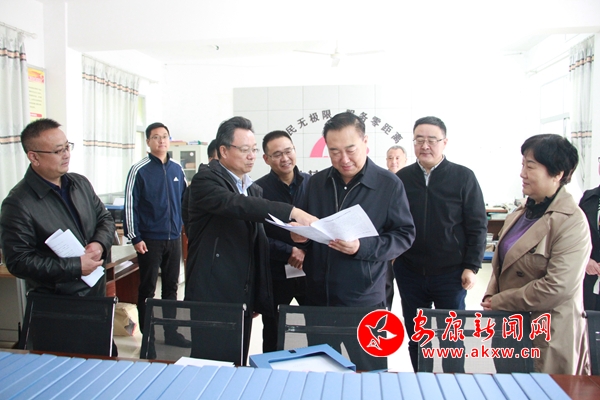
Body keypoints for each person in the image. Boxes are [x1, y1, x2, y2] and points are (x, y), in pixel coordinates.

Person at [184, 116, 316, 364]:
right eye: (245, 150)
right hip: (212, 291)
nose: (251, 156)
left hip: (242, 292)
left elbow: (258, 242)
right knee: (210, 363)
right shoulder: (206, 180)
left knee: (238, 360)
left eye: (254, 150)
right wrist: (292, 211)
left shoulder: (252, 188)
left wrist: (258, 294)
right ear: (224, 151)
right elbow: (238, 206)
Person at [295, 112, 415, 369]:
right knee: (321, 370)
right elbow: (306, 231)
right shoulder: (316, 183)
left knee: (368, 373)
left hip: (364, 299)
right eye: (334, 151)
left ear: (365, 142)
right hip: (319, 297)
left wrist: (363, 247)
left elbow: (404, 235)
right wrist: (299, 237)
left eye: (350, 149)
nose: (344, 159)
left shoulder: (388, 184)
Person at [0, 119, 116, 352]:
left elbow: (105, 218)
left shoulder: (79, 184)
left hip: (95, 298)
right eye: (58, 150)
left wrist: (99, 243)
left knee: (104, 360)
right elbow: (18, 261)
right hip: (57, 306)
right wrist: (75, 266)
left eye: (67, 147)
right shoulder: (18, 203)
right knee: (65, 367)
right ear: (34, 157)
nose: (66, 154)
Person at [482, 134, 591, 374]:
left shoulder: (571, 221)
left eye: (530, 166)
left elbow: (558, 287)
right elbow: (503, 265)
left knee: (543, 389)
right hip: (509, 324)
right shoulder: (521, 213)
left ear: (558, 173)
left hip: (546, 332)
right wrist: (491, 295)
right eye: (523, 165)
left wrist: (500, 301)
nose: (522, 173)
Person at [394, 116, 487, 372]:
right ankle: (421, 380)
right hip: (410, 272)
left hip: (451, 273)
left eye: (431, 140)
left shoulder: (463, 177)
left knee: (451, 337)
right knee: (417, 335)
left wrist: (471, 266)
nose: (425, 145)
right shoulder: (401, 179)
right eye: (419, 140)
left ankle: (451, 384)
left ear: (444, 142)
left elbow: (477, 225)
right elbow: (392, 221)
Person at [123, 122, 190, 352]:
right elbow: (130, 205)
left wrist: (186, 229)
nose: (161, 141)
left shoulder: (177, 169)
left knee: (171, 288)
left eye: (165, 136)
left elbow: (185, 202)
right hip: (149, 240)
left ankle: (171, 333)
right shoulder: (139, 170)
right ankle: (148, 336)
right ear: (148, 142)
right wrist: (135, 236)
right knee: (148, 288)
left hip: (174, 238)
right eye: (156, 137)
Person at [255, 130, 310, 353]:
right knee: (273, 330)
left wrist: (304, 251)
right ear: (266, 159)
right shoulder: (257, 191)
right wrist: (289, 250)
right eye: (277, 154)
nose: (285, 158)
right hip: (275, 272)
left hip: (310, 270)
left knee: (317, 327)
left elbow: (323, 225)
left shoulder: (313, 184)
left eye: (288, 151)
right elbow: (256, 235)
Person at [384, 144, 408, 309]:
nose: (394, 161)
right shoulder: (382, 181)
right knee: (386, 284)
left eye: (398, 158)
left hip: (407, 243)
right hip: (387, 244)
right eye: (390, 158)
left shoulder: (410, 181)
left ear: (405, 160)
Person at [579, 158, 600, 311]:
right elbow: (576, 236)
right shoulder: (589, 197)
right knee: (589, 319)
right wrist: (586, 259)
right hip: (590, 276)